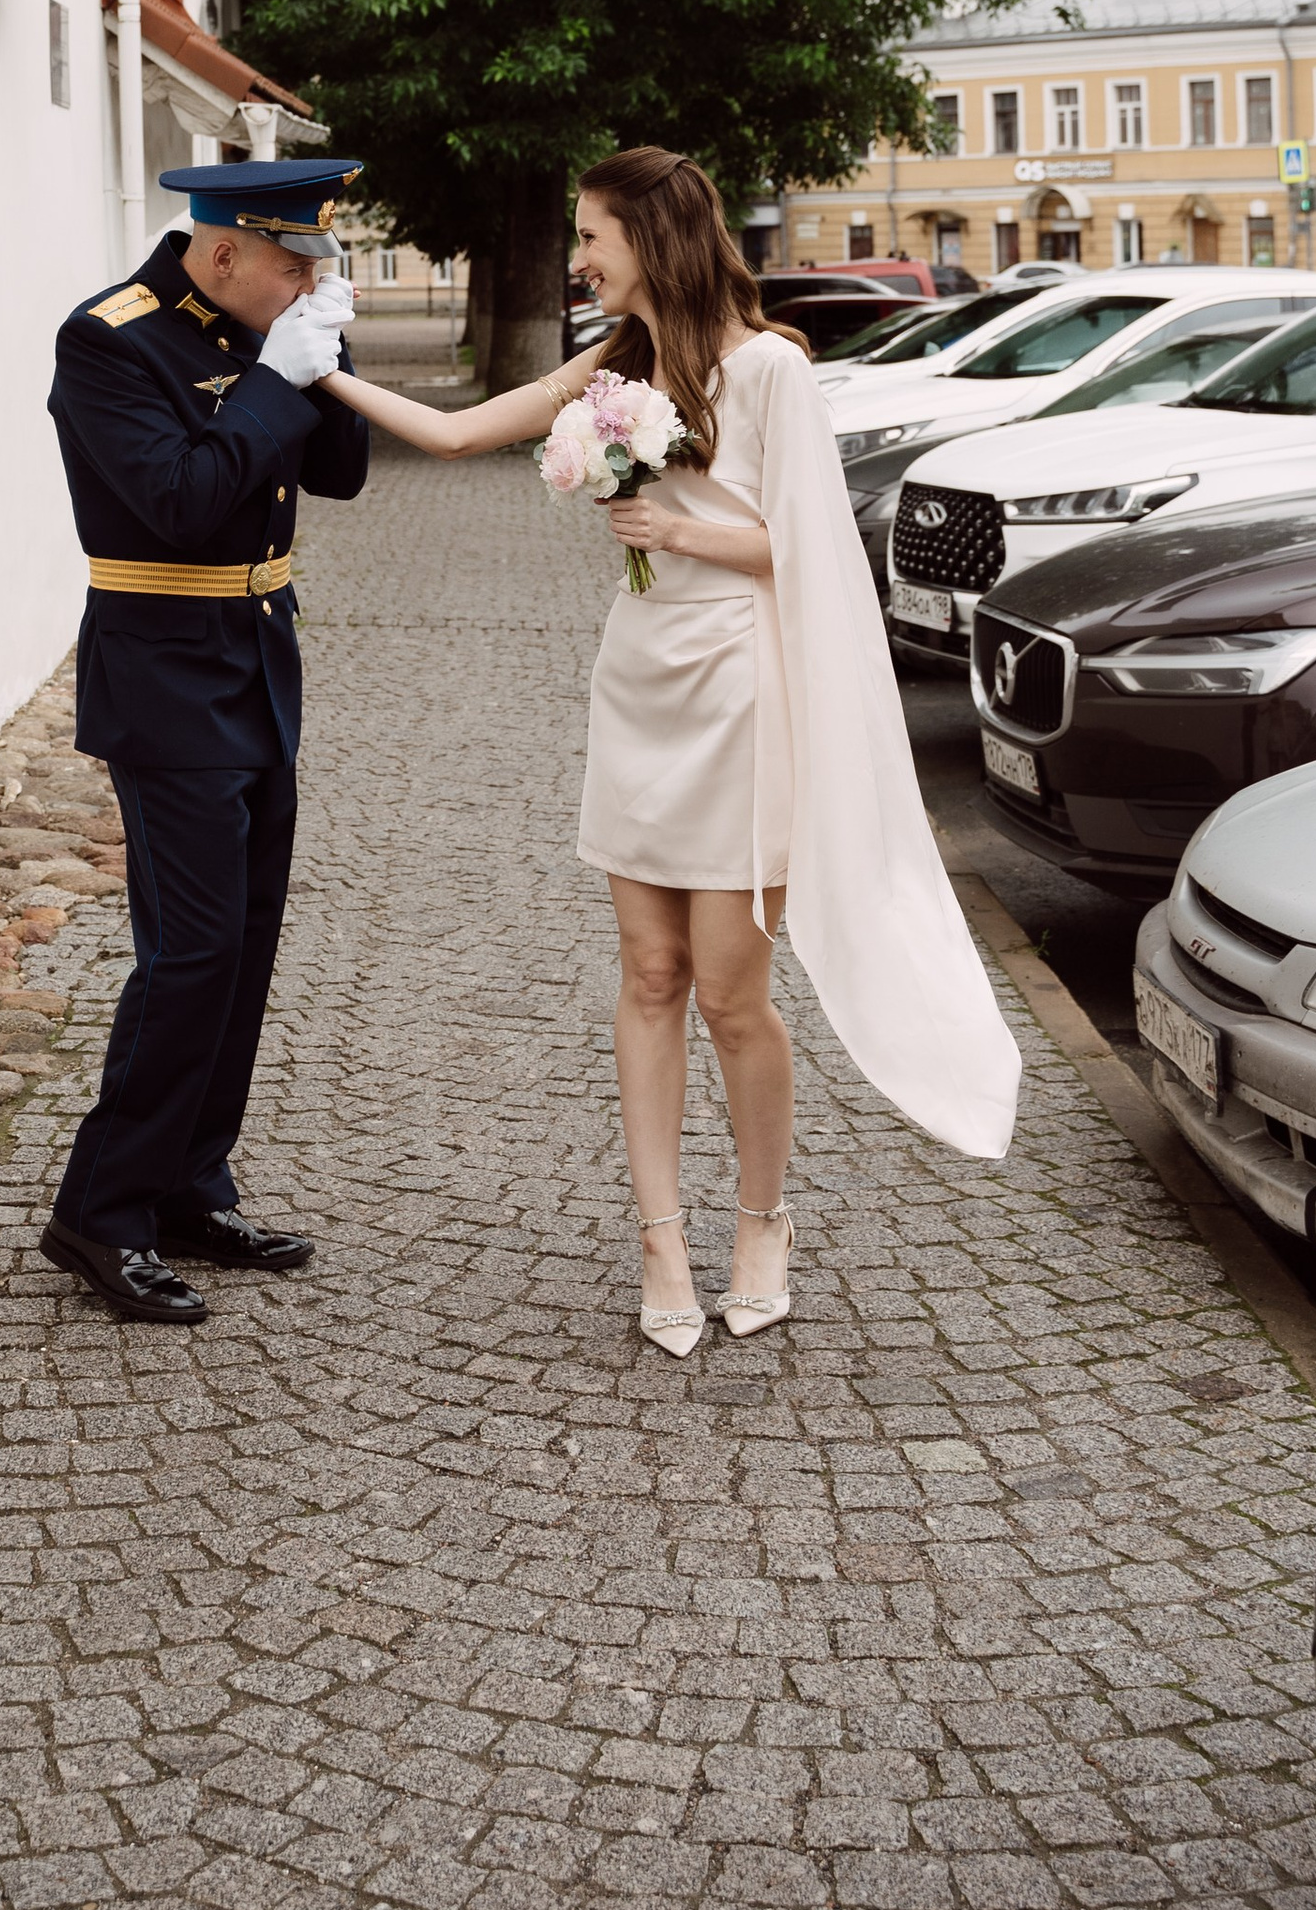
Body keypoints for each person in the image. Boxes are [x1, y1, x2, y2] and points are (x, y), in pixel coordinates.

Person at [306, 146, 1020, 1355]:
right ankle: (658, 1236)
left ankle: (762, 1221)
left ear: (654, 234)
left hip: (744, 692)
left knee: (734, 995)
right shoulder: (616, 361)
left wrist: (677, 534)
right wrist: (317, 372)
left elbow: (817, 555)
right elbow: (454, 431)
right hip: (638, 685)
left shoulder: (770, 370)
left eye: (592, 235)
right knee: (647, 976)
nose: (579, 257)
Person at [39, 158, 371, 1323]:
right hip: (166, 674)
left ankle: (188, 1180)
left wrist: (324, 364)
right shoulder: (109, 343)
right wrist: (277, 380)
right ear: (222, 253)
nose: (306, 283)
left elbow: (335, 476)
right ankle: (101, 1208)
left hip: (255, 662)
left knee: (241, 946)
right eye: (295, 267)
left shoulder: (260, 331)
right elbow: (177, 501)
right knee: (187, 953)